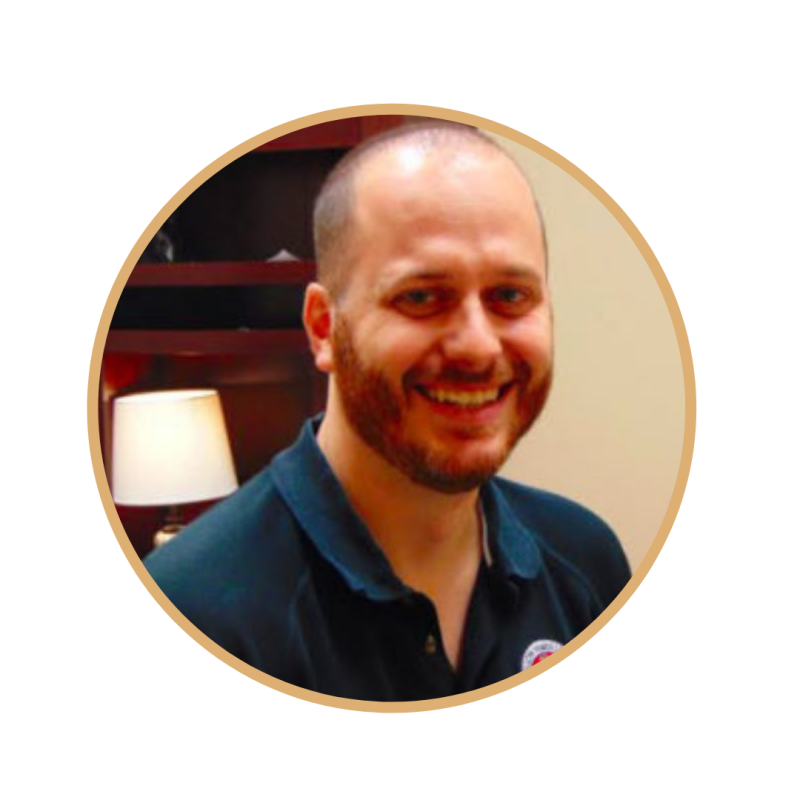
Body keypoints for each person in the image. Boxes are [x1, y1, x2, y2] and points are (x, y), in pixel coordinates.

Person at [143, 119, 631, 702]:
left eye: (510, 296)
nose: (479, 347)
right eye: (421, 297)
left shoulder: (587, 562)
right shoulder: (193, 610)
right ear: (323, 328)